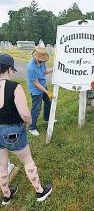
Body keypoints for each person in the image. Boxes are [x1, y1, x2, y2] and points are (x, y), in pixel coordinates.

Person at [0, 54, 52, 205]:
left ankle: (7, 196)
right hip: (14, 131)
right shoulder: (15, 87)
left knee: (2, 166)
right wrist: (28, 124)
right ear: (9, 69)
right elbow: (25, 114)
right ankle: (40, 191)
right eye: (12, 70)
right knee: (28, 161)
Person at [27, 48, 55, 136]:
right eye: (40, 60)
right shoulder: (30, 67)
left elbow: (44, 72)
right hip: (36, 90)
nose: (42, 62)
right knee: (36, 109)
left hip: (43, 86)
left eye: (43, 60)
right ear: (36, 57)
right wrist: (47, 92)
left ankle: (46, 118)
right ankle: (32, 128)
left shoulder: (42, 62)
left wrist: (53, 69)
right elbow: (36, 83)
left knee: (48, 102)